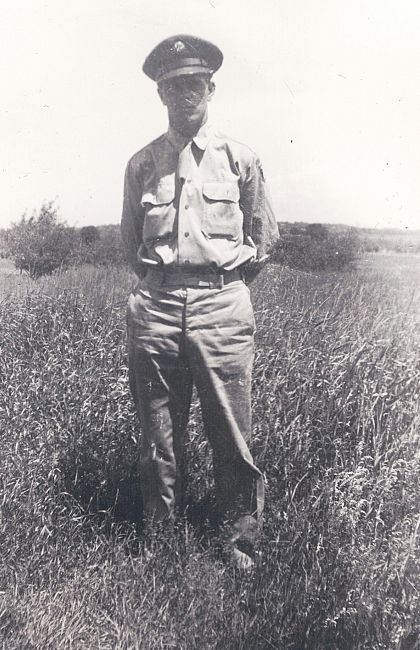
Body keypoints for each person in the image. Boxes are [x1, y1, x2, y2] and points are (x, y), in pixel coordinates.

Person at [121, 34, 279, 568]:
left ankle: (238, 543)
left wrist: (221, 284)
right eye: (173, 86)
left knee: (231, 433)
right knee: (158, 435)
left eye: (194, 83)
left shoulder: (240, 159)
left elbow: (263, 238)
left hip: (222, 305)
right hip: (157, 307)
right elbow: (131, 242)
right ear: (160, 94)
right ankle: (162, 542)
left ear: (211, 89)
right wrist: (164, 287)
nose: (184, 94)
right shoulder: (142, 164)